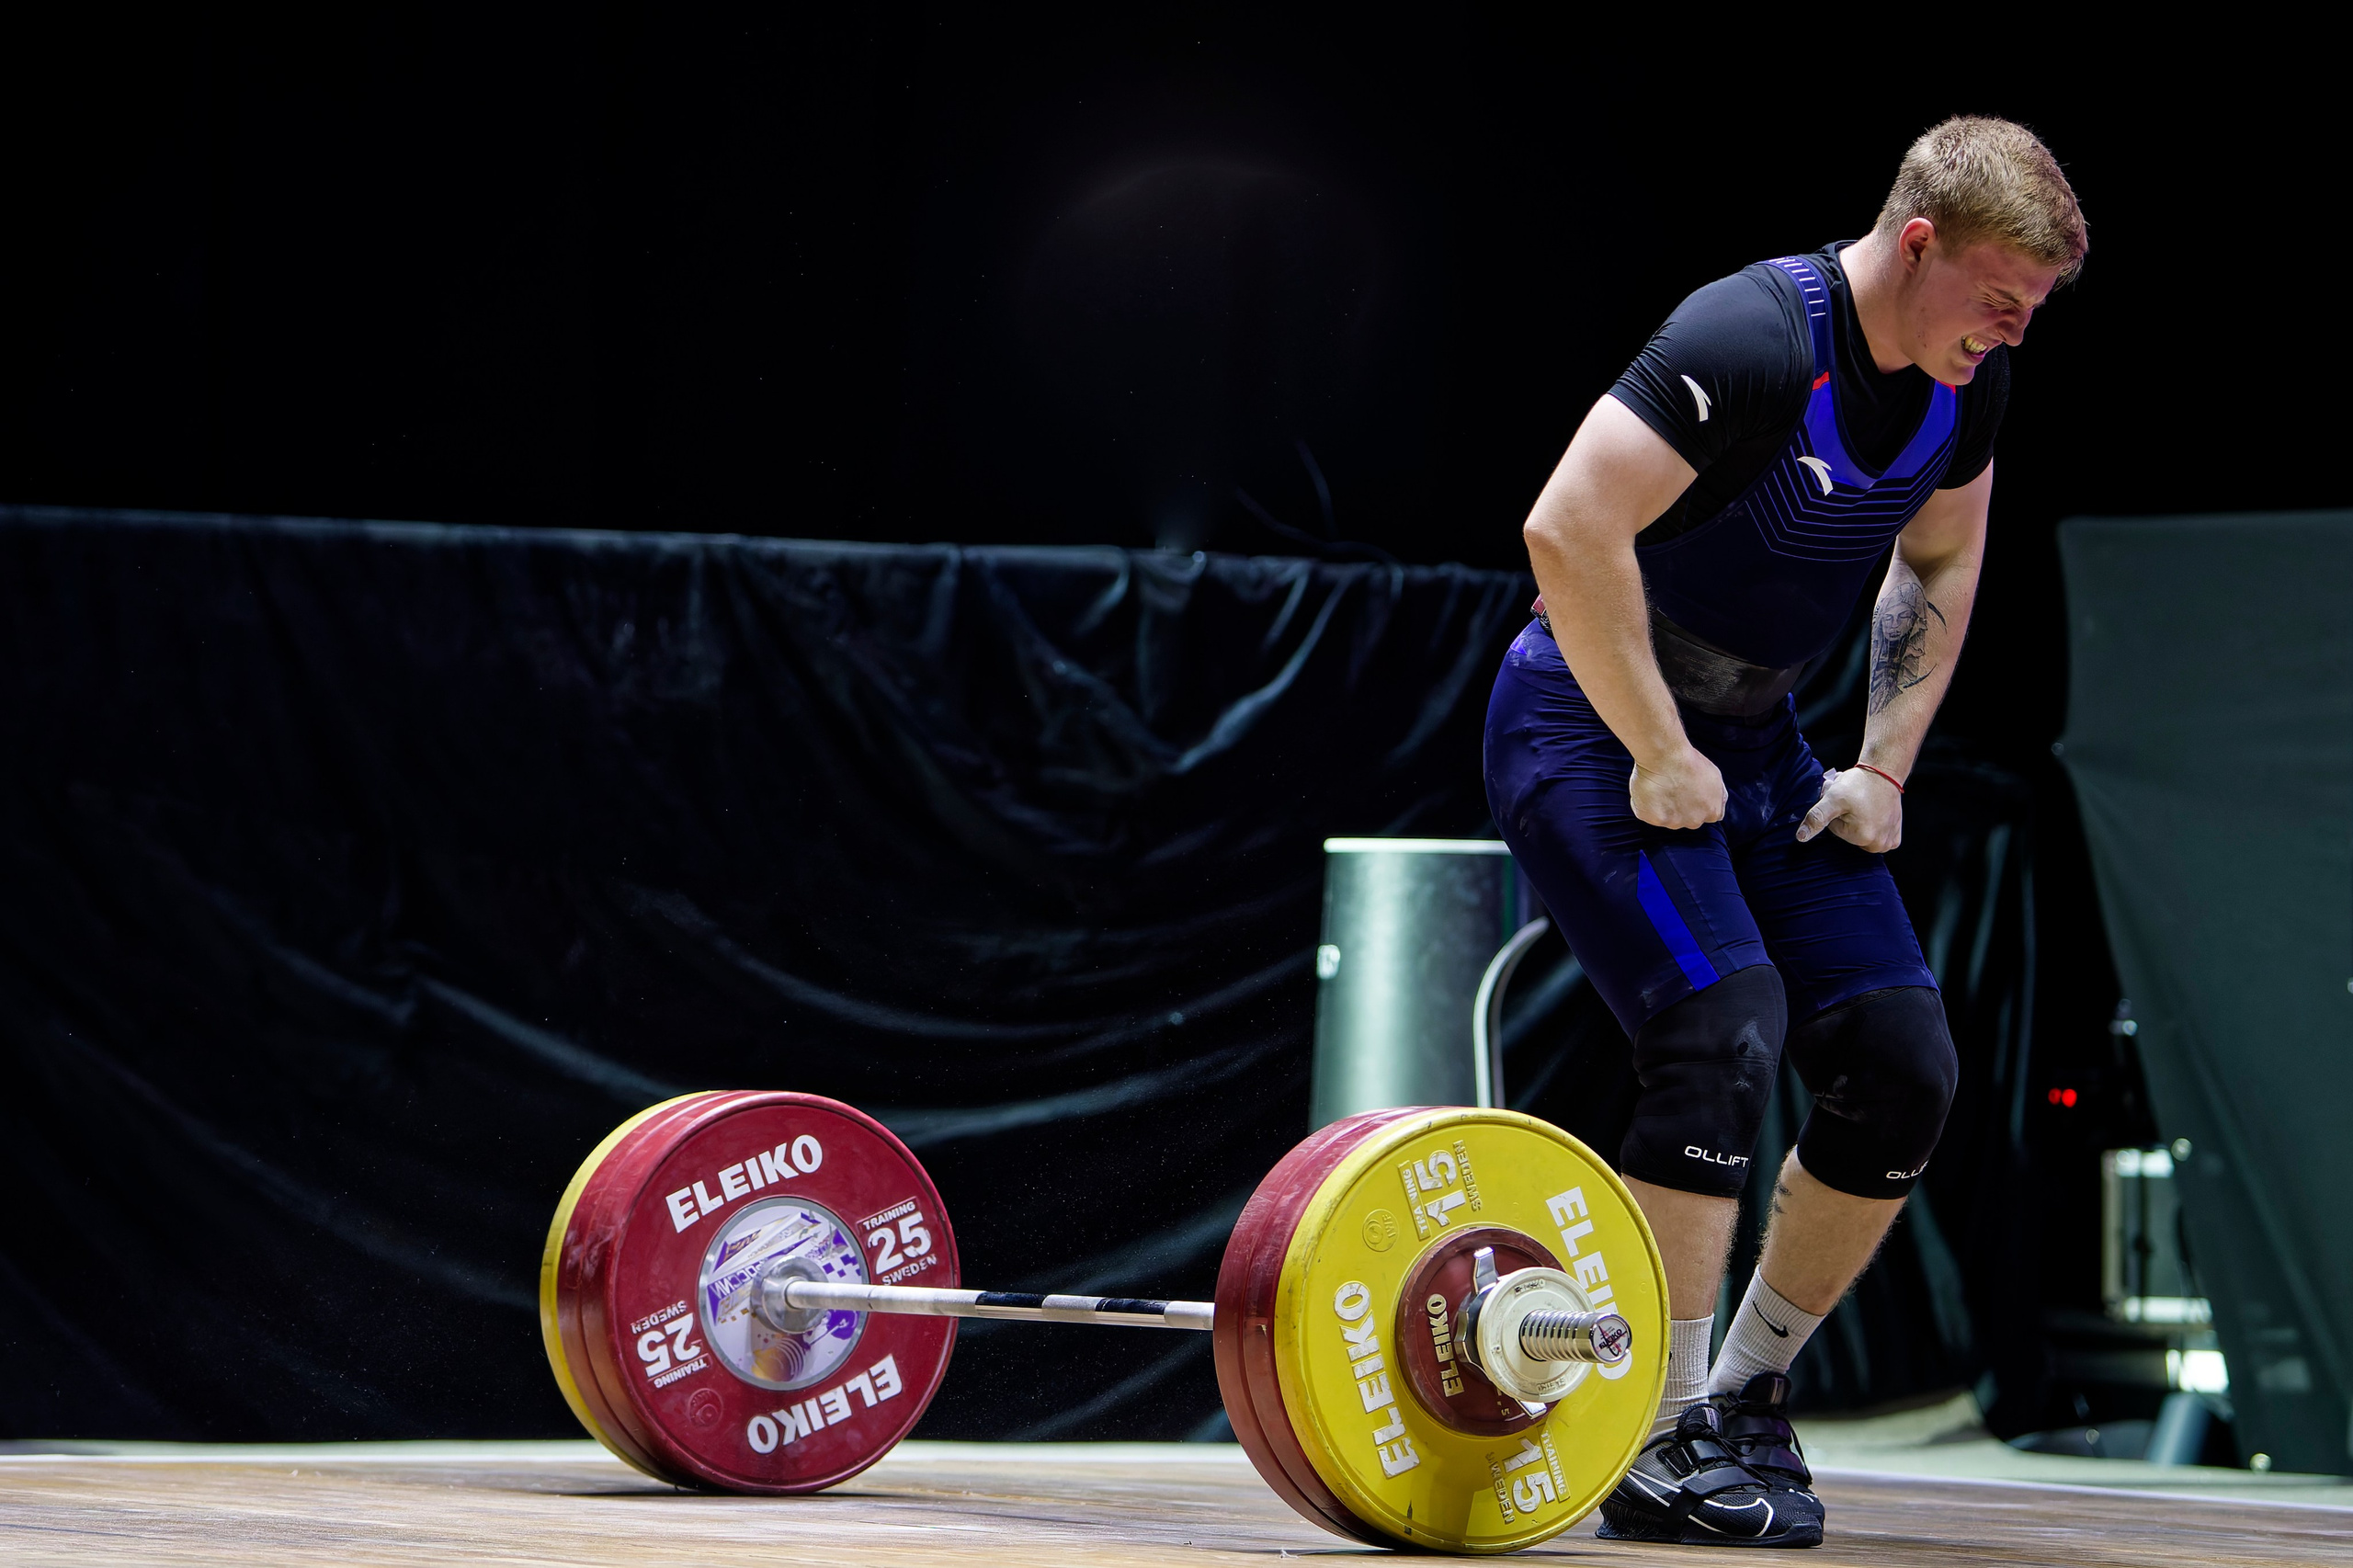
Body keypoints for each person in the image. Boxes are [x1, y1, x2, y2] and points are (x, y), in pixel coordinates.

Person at [1485, 117, 2086, 1547]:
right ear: (1919, 240)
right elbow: (1568, 529)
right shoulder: (1756, 335)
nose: (2012, 332)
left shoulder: (1967, 389)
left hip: (1760, 747)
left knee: (1901, 1064)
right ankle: (1649, 1426)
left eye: (2035, 313)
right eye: (2001, 296)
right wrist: (1655, 747)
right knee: (1724, 1021)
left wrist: (1882, 767)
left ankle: (1737, 1400)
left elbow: (1938, 559)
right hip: (1582, 717)